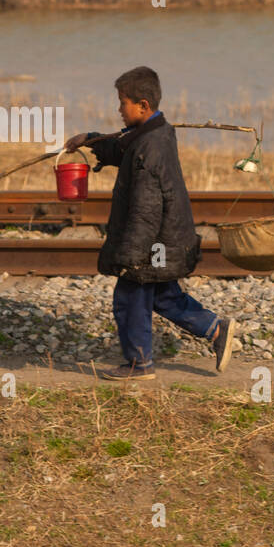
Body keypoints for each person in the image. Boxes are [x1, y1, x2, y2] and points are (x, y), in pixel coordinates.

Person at [63, 66, 237, 380]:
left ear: (143, 106)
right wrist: (89, 140)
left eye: (123, 103)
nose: (118, 109)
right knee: (161, 294)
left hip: (153, 241)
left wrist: (131, 254)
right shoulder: (151, 134)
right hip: (165, 238)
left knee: (130, 297)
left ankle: (138, 365)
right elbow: (120, 149)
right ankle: (214, 329)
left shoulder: (150, 146)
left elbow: (146, 207)